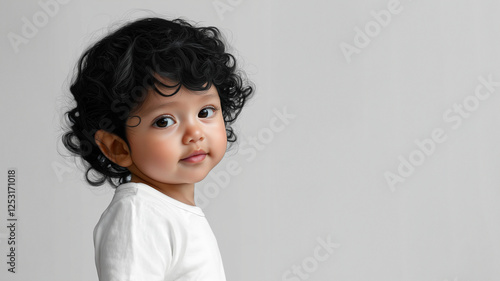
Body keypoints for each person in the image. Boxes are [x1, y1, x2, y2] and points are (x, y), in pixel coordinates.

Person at [61, 16, 253, 281]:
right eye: (164, 121)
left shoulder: (167, 213)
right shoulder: (138, 216)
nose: (195, 133)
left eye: (205, 111)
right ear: (117, 147)